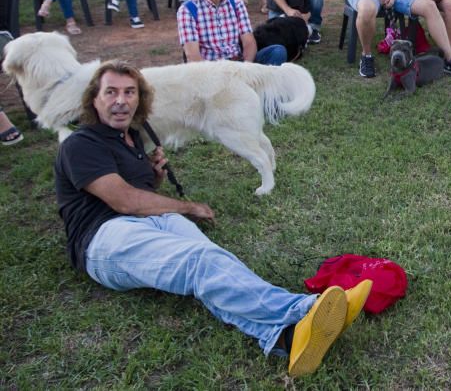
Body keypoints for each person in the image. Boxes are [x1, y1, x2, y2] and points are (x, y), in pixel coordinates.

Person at [54, 61, 371, 377]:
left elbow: (141, 193)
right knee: (199, 261)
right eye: (111, 92)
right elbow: (125, 201)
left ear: (140, 99)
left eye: (129, 92)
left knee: (213, 267)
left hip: (151, 220)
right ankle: (305, 309)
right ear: (93, 100)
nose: (121, 100)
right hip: (104, 239)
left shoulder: (132, 140)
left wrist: (154, 176)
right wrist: (186, 207)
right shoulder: (80, 143)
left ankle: (286, 339)